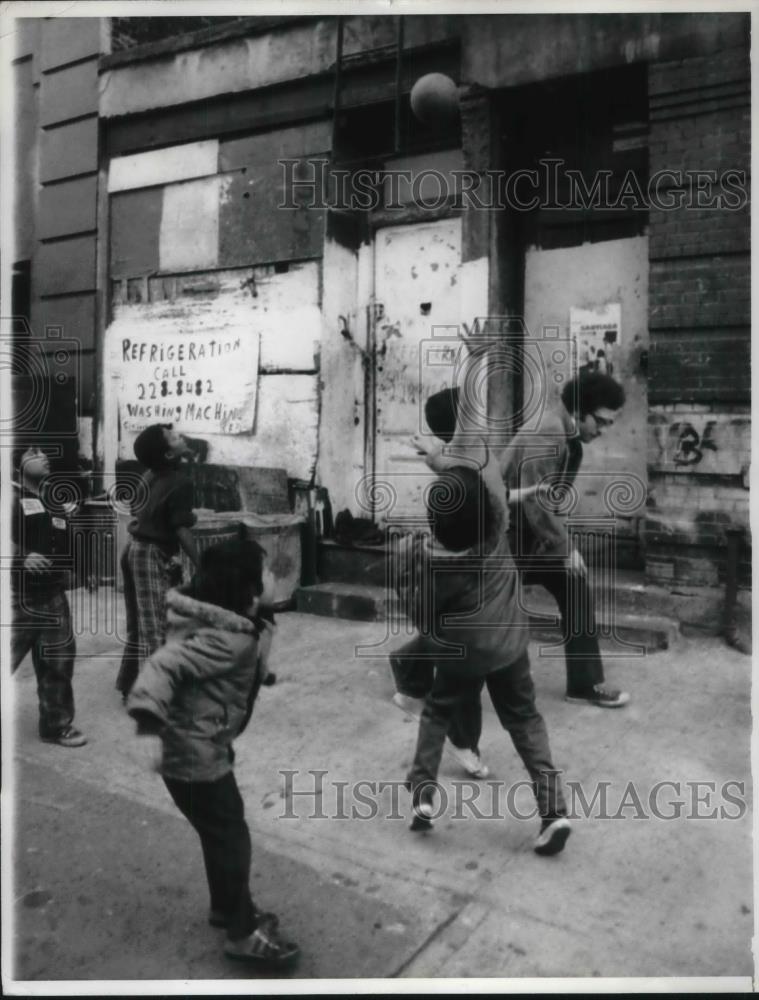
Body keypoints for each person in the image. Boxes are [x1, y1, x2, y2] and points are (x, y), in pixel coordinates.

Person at [394, 343, 571, 855]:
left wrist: (435, 459)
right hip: (510, 644)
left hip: (457, 651)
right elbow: (474, 446)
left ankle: (423, 796)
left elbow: (423, 618)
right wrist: (477, 363)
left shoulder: (428, 557)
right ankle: (552, 811)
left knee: (436, 713)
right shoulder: (494, 525)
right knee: (525, 721)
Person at [126, 530, 300, 969]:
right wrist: (148, 723)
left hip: (202, 746)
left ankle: (227, 908)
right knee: (230, 837)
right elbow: (164, 663)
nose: (275, 577)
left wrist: (262, 677)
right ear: (247, 589)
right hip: (192, 755)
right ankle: (241, 932)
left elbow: (225, 667)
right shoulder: (226, 638)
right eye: (266, 573)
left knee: (219, 833)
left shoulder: (235, 625)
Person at [502, 370, 629, 708]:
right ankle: (413, 670)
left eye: (608, 425)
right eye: (599, 422)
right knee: (474, 607)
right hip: (498, 536)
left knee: (574, 586)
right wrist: (565, 548)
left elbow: (550, 503)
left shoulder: (570, 439)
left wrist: (561, 546)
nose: (601, 432)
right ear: (579, 411)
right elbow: (534, 500)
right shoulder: (548, 432)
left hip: (528, 536)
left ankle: (584, 685)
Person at [10, 445, 87, 748]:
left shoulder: (53, 497)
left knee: (58, 663)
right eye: (33, 453)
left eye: (44, 452)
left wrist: (72, 568)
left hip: (53, 594)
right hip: (16, 595)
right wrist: (22, 556)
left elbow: (61, 535)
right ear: (17, 463)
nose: (43, 456)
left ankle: (56, 725)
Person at [116, 423, 199, 699]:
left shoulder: (149, 474)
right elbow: (182, 530)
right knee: (156, 628)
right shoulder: (180, 482)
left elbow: (137, 507)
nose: (180, 435)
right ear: (168, 455)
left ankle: (130, 684)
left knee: (140, 623)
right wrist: (202, 562)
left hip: (133, 550)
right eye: (174, 437)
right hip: (149, 554)